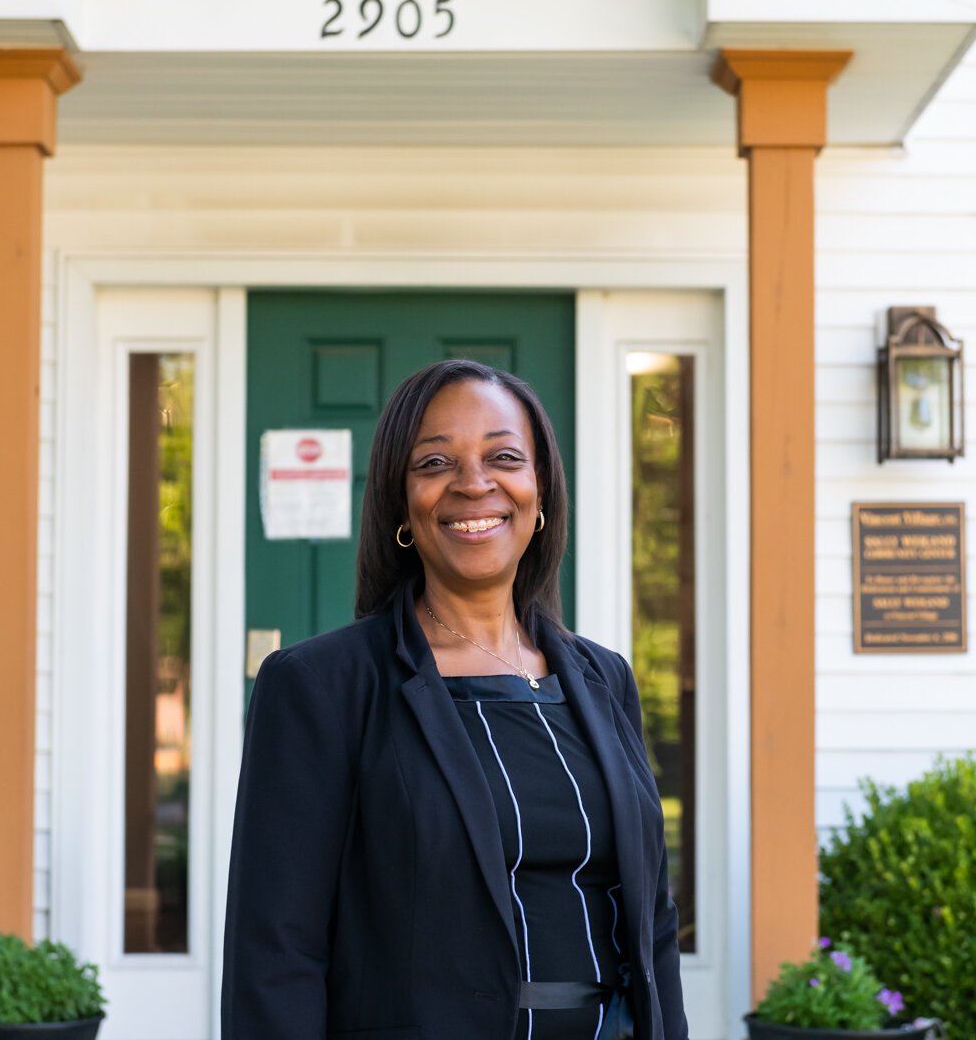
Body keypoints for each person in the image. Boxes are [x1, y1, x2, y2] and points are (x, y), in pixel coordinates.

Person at [222, 359, 688, 1040]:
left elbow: (656, 926)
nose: (474, 483)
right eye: (435, 461)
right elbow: (276, 955)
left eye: (503, 456)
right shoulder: (321, 687)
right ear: (401, 503)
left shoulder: (604, 678)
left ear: (540, 491)